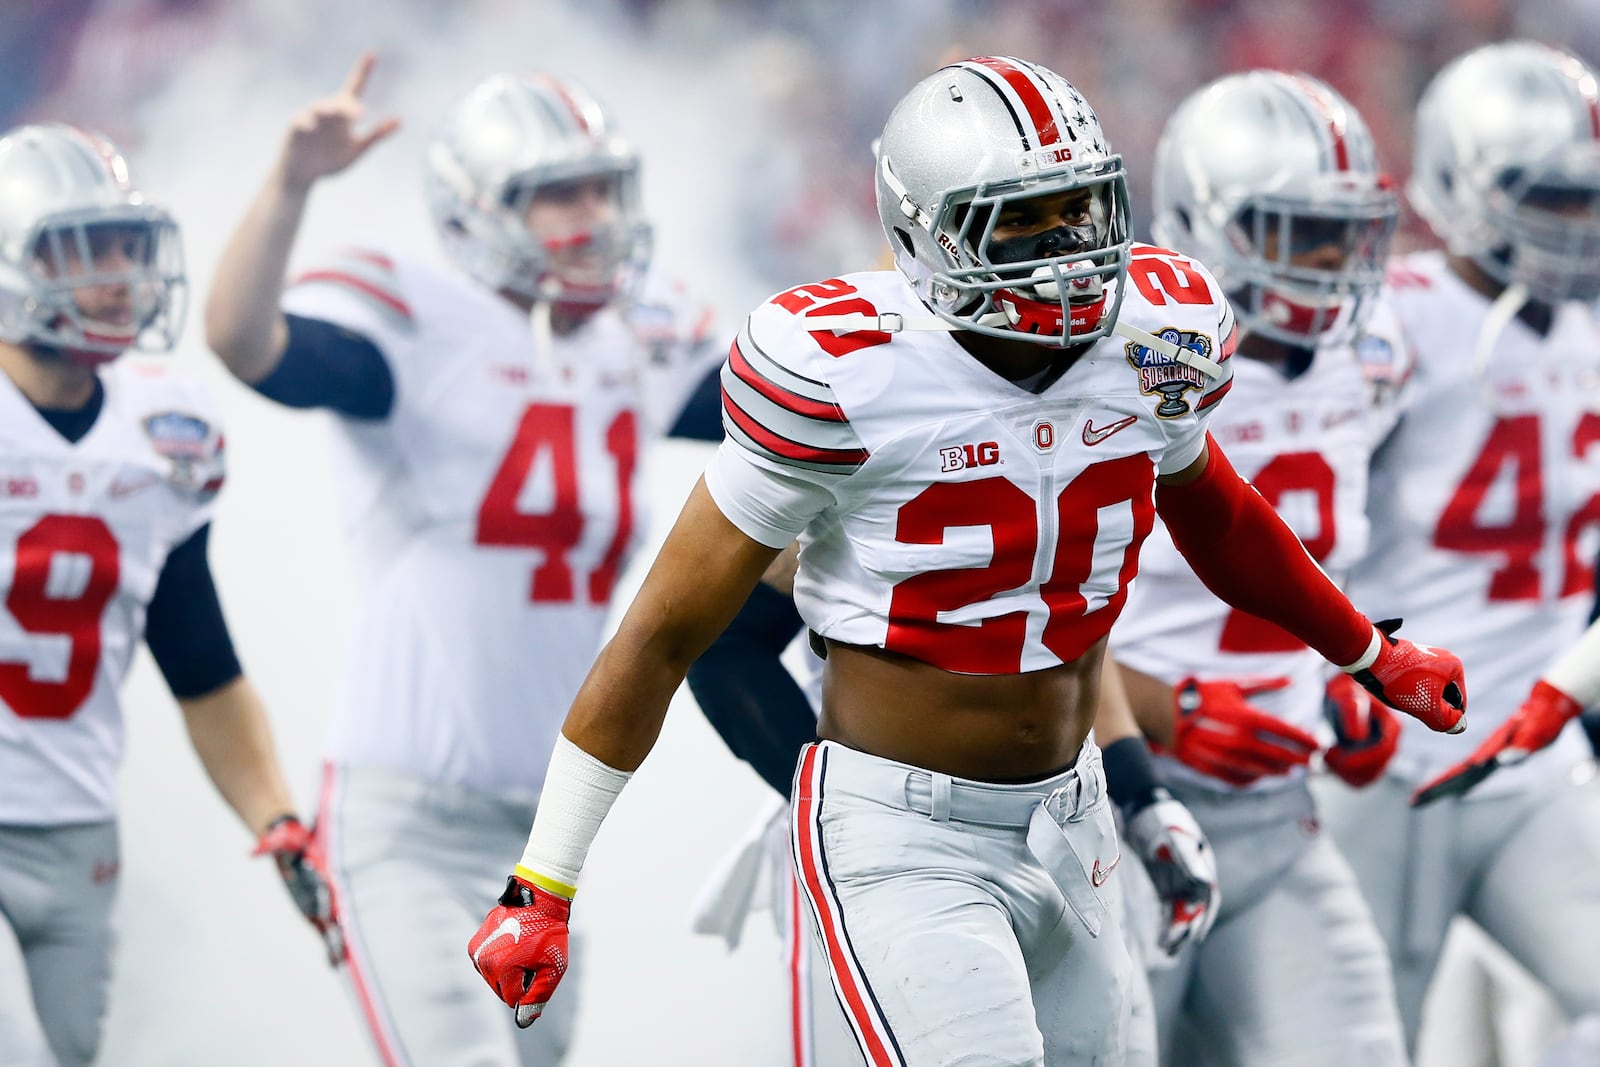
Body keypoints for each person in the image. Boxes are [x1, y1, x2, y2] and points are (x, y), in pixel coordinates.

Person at [467, 55, 1467, 1065]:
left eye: (1084, 208)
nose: (1072, 250)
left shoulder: (1153, 340)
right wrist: (542, 881)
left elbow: (1221, 516)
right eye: (1025, 222)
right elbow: (665, 632)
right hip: (902, 832)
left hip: (1074, 818)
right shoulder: (848, 375)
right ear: (928, 233)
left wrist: (1368, 654)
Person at [202, 54, 723, 1067]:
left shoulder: (640, 334)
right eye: (556, 194)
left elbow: (809, 408)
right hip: (406, 814)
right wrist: (292, 185)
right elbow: (242, 339)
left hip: (544, 835)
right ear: (478, 209)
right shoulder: (418, 319)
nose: (592, 216)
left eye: (602, 187)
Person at [0, 122, 331, 1067]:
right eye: (81, 250)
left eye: (125, 248)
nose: (115, 275)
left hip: (77, 830)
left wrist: (274, 813)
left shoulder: (163, 430)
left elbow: (199, 659)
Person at [1109, 70, 1412, 1066]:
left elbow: (1339, 550)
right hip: (1108, 808)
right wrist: (1162, 708)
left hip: (1279, 814)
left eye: (1344, 231)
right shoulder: (1127, 350)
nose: (1331, 261)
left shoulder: (1375, 350)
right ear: (1204, 219)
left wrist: (1350, 669)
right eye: (1295, 229)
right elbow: (1027, 604)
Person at [1310, 40, 1600, 1057]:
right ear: (1457, 182)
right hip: (1384, 764)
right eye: (1549, 196)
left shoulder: (1589, 326)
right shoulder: (1390, 320)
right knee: (1368, 1040)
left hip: (1538, 759)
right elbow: (1287, 523)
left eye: (1586, 196)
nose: (1575, 222)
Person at [684, 547, 1218, 1066]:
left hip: (1062, 824)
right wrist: (843, 802)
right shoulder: (861, 455)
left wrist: (1140, 791)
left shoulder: (1086, 458)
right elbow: (721, 642)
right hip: (890, 842)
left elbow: (1069, 637)